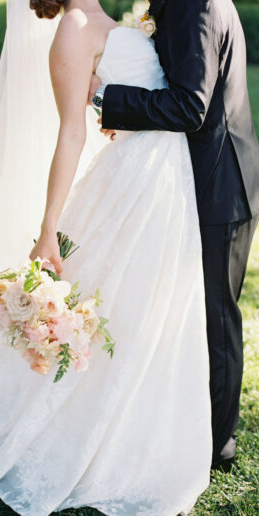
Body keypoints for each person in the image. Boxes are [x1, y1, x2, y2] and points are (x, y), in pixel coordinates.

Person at [0, 0, 213, 513]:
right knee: (117, 307)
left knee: (150, 311)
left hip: (164, 178)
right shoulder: (74, 29)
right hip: (134, 181)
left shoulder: (113, 19)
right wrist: (48, 231)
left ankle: (141, 423)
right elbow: (71, 132)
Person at [91, 0, 259, 471]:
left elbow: (191, 106)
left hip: (221, 188)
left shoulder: (192, 4)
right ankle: (188, 425)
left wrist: (109, 100)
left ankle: (215, 447)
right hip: (207, 180)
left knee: (215, 320)